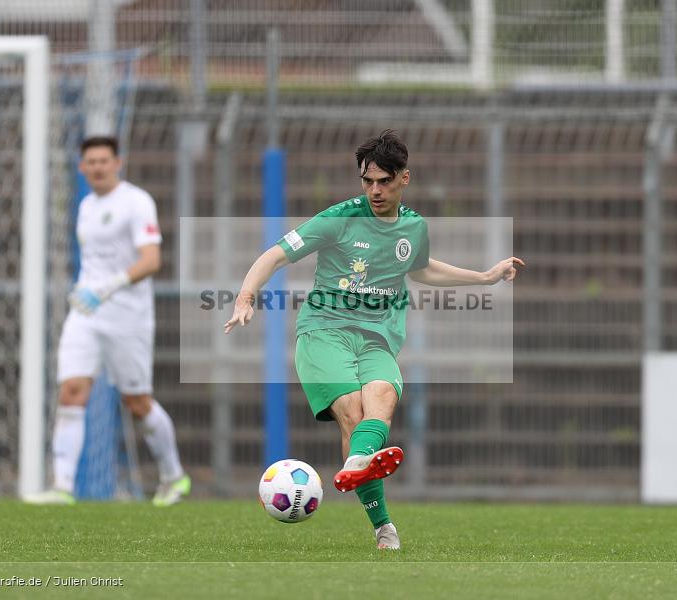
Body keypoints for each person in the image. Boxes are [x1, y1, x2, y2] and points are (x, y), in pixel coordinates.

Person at [224, 130, 523, 548]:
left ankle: (359, 465)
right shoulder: (339, 218)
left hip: (377, 338)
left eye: (384, 181)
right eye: (368, 181)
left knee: (381, 401)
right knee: (352, 413)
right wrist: (244, 297)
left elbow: (420, 269)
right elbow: (275, 254)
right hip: (324, 333)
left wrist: (484, 277)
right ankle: (383, 525)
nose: (375, 190)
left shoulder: (414, 226)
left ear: (405, 178)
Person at [27, 135, 190, 506]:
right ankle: (62, 487)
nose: (97, 167)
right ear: (82, 168)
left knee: (137, 401)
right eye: (91, 162)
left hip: (128, 317)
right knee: (71, 390)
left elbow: (151, 260)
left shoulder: (136, 202)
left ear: (118, 162)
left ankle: (173, 476)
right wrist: (87, 291)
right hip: (86, 315)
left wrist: (107, 288)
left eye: (104, 160)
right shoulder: (85, 205)